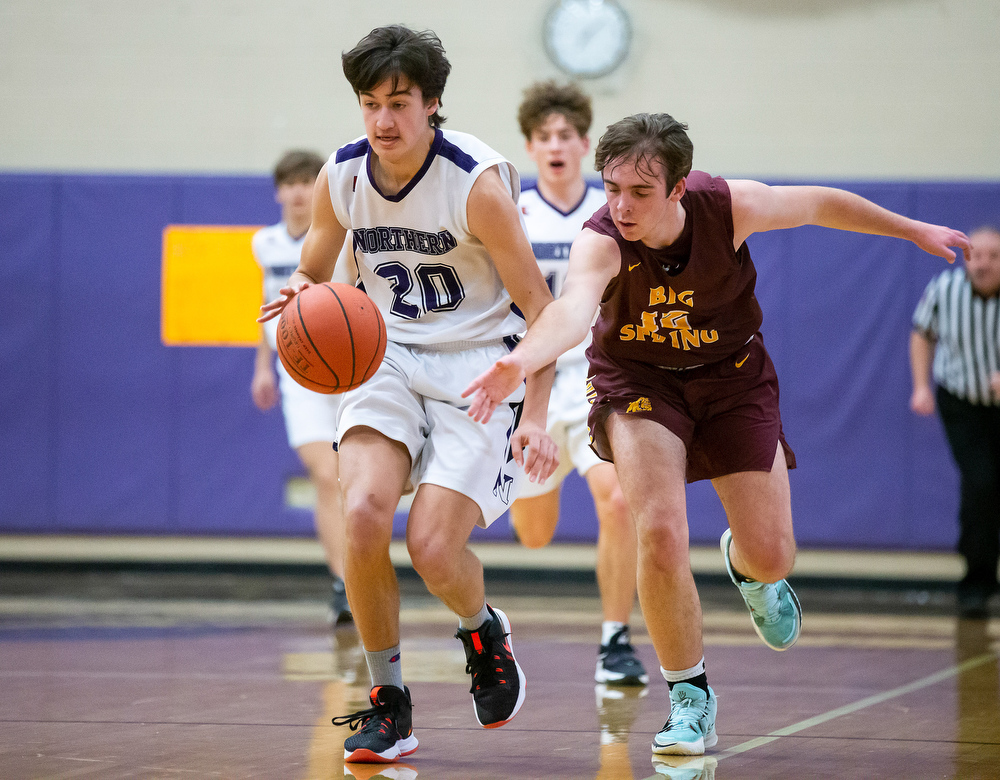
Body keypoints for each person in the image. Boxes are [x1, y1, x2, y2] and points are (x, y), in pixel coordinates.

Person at [463, 112, 970, 756]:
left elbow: (819, 204)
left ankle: (748, 568)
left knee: (773, 555)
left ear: (677, 189)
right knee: (658, 527)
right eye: (612, 188)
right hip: (638, 380)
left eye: (639, 193)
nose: (619, 205)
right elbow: (570, 310)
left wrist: (912, 228)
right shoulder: (601, 241)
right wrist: (523, 359)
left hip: (733, 380)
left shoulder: (728, 207)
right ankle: (689, 697)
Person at [258, 25, 557, 764]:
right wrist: (301, 294)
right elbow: (314, 268)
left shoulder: (476, 184)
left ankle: (483, 629)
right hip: (383, 356)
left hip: (477, 366)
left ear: (433, 105)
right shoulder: (343, 175)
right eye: (369, 104)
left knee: (429, 547)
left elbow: (544, 314)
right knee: (360, 512)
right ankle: (388, 704)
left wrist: (538, 412)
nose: (383, 120)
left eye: (399, 103)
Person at [513, 81, 645, 687]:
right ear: (531, 148)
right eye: (545, 137)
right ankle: (541, 485)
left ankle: (615, 639)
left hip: (602, 379)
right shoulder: (511, 212)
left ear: (585, 143)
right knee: (534, 536)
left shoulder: (612, 209)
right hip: (536, 382)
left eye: (567, 135)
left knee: (618, 501)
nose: (557, 144)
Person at [251, 150, 354, 626]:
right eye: (287, 183)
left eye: (304, 182)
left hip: (348, 370)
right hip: (297, 373)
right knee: (325, 476)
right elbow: (264, 307)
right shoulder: (264, 244)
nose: (296, 191)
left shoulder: (340, 236)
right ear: (277, 192)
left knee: (352, 481)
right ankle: (342, 582)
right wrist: (263, 367)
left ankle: (359, 574)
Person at [910, 225, 1000, 618]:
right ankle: (976, 584)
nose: (982, 263)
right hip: (961, 403)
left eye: (992, 256)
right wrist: (920, 386)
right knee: (980, 483)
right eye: (975, 255)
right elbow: (921, 333)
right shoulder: (945, 290)